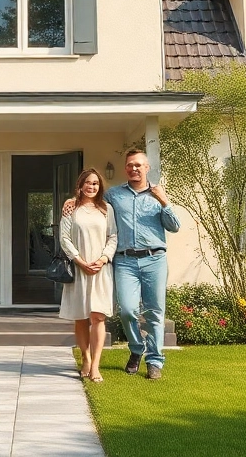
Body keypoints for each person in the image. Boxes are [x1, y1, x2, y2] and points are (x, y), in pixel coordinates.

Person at [63, 148, 178, 380]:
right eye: (130, 165)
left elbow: (174, 226)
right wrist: (72, 199)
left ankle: (154, 361)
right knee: (126, 311)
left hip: (154, 259)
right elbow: (91, 200)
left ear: (147, 168)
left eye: (138, 165)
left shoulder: (157, 195)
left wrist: (165, 202)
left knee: (155, 312)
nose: (133, 168)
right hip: (125, 261)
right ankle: (136, 349)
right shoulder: (114, 196)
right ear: (126, 168)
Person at [58, 168, 117, 383]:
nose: (91, 187)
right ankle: (85, 358)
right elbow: (64, 239)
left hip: (101, 269)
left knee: (98, 316)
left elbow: (113, 236)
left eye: (95, 184)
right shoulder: (71, 208)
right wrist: (80, 262)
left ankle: (96, 366)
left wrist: (102, 259)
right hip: (79, 268)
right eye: (88, 183)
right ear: (80, 185)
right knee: (82, 316)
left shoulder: (106, 209)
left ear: (99, 186)